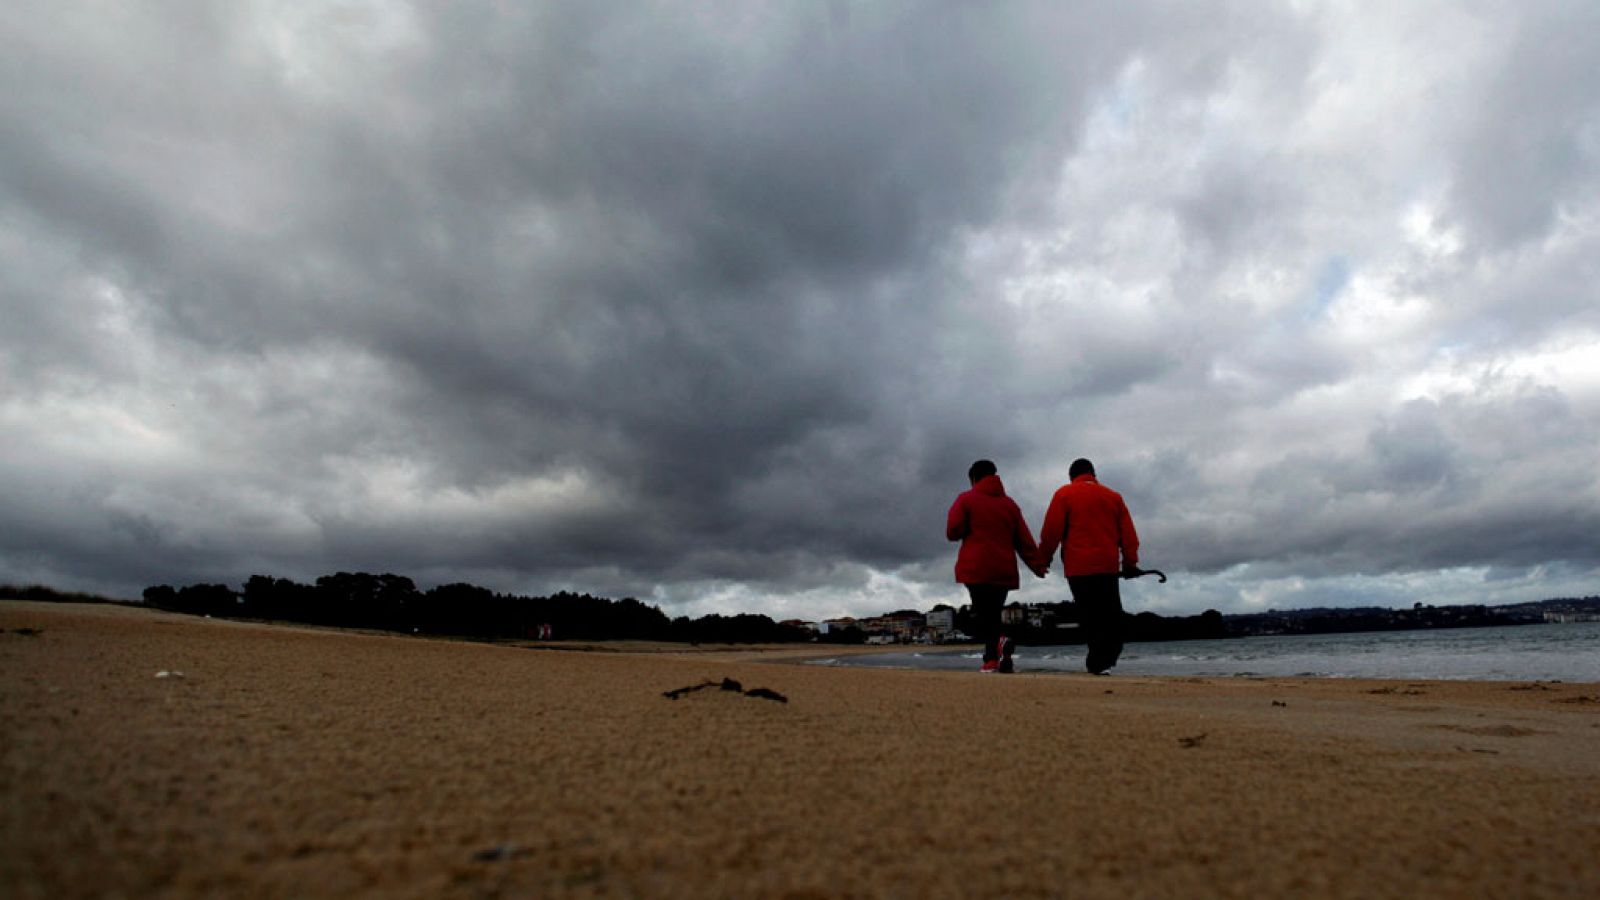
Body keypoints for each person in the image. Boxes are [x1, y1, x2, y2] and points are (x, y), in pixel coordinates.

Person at [1035, 458, 1140, 675]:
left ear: (1071, 476)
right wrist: (1130, 562)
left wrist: (1043, 559)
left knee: (1090, 615)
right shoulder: (1114, 497)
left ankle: (1097, 660)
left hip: (1078, 568)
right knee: (1110, 613)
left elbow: (1051, 532)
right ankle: (1104, 658)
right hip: (1107, 567)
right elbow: (1128, 535)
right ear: (1093, 474)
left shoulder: (1064, 494)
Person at [947, 459, 1045, 673]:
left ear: (973, 478)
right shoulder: (1010, 505)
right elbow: (1024, 540)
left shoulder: (966, 499)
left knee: (984, 614)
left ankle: (997, 648)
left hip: (976, 566)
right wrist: (1037, 565)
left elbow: (953, 531)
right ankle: (993, 658)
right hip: (1003, 568)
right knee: (992, 612)